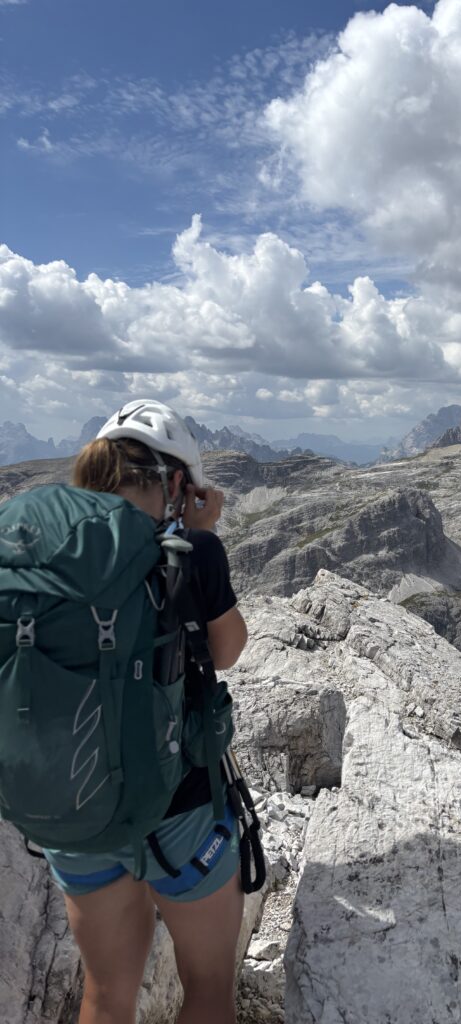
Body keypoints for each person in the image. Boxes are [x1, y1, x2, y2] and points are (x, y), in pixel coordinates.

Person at [41, 399, 249, 1024]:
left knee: (106, 995)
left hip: (75, 808)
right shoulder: (193, 552)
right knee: (208, 988)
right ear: (177, 482)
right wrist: (202, 538)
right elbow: (228, 651)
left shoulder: (48, 553)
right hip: (178, 807)